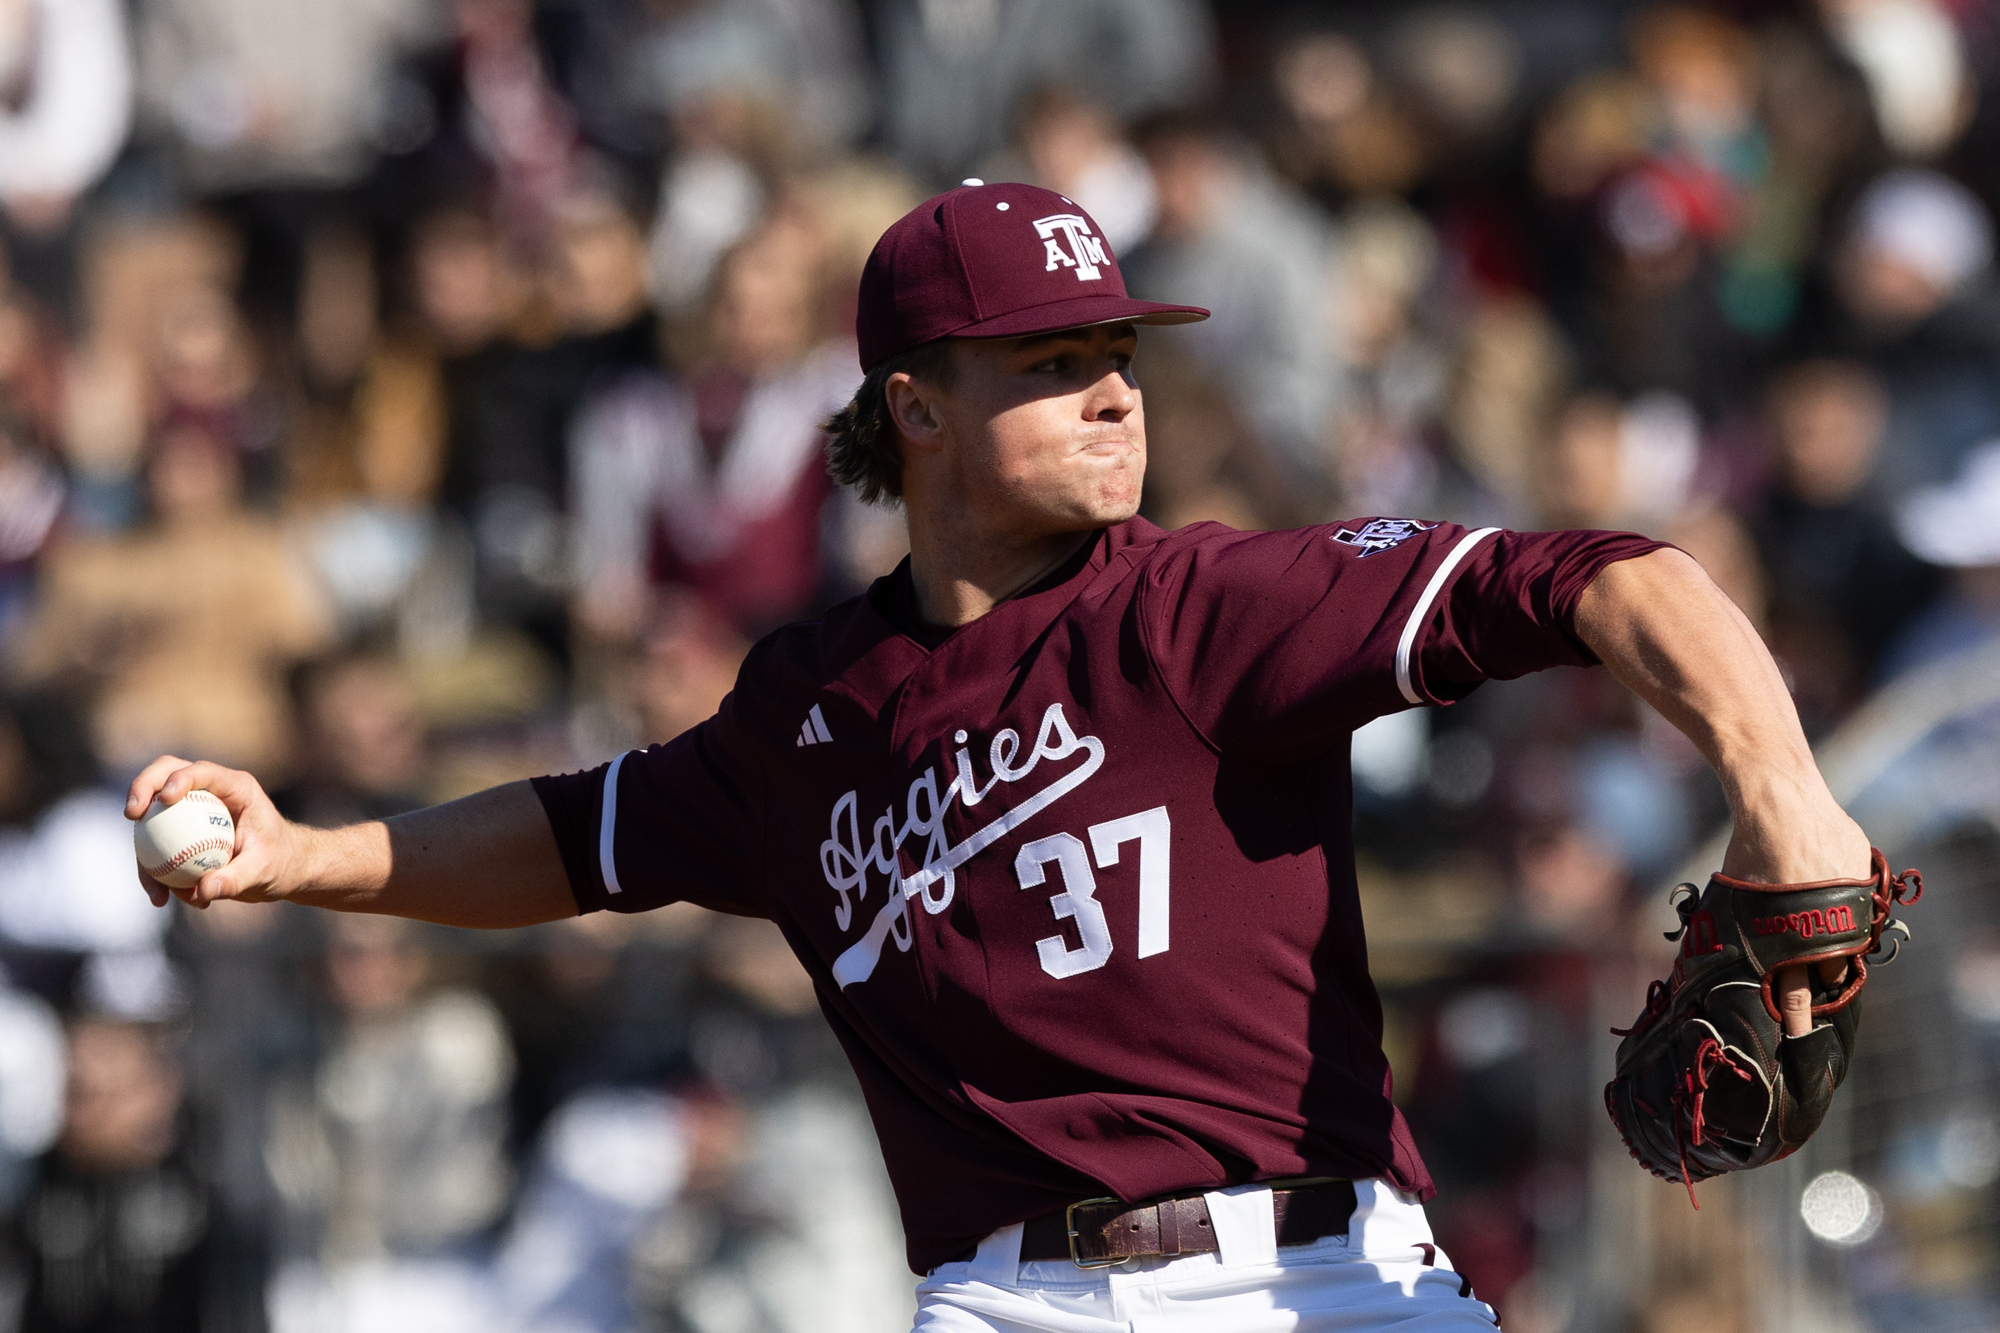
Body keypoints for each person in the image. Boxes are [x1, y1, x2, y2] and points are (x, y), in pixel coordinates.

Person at [125, 182, 1871, 1331]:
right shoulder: (811, 709)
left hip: (1320, 1279)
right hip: (1002, 1302)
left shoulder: (1204, 606)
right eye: (1055, 363)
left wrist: (1780, 789)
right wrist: (307, 856)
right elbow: (582, 835)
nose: (1117, 395)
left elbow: (1602, 576)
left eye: (1119, 354)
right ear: (917, 405)